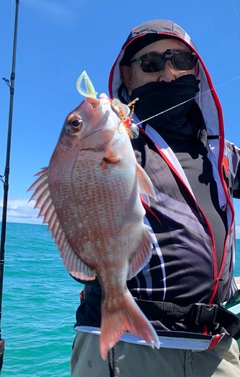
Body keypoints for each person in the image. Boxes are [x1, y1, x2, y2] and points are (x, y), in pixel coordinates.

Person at [70, 19, 240, 377]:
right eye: (151, 64)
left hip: (215, 347)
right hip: (124, 345)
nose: (168, 74)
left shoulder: (223, 155)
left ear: (196, 68)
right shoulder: (118, 145)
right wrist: (91, 131)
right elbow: (75, 193)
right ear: (128, 78)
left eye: (178, 59)